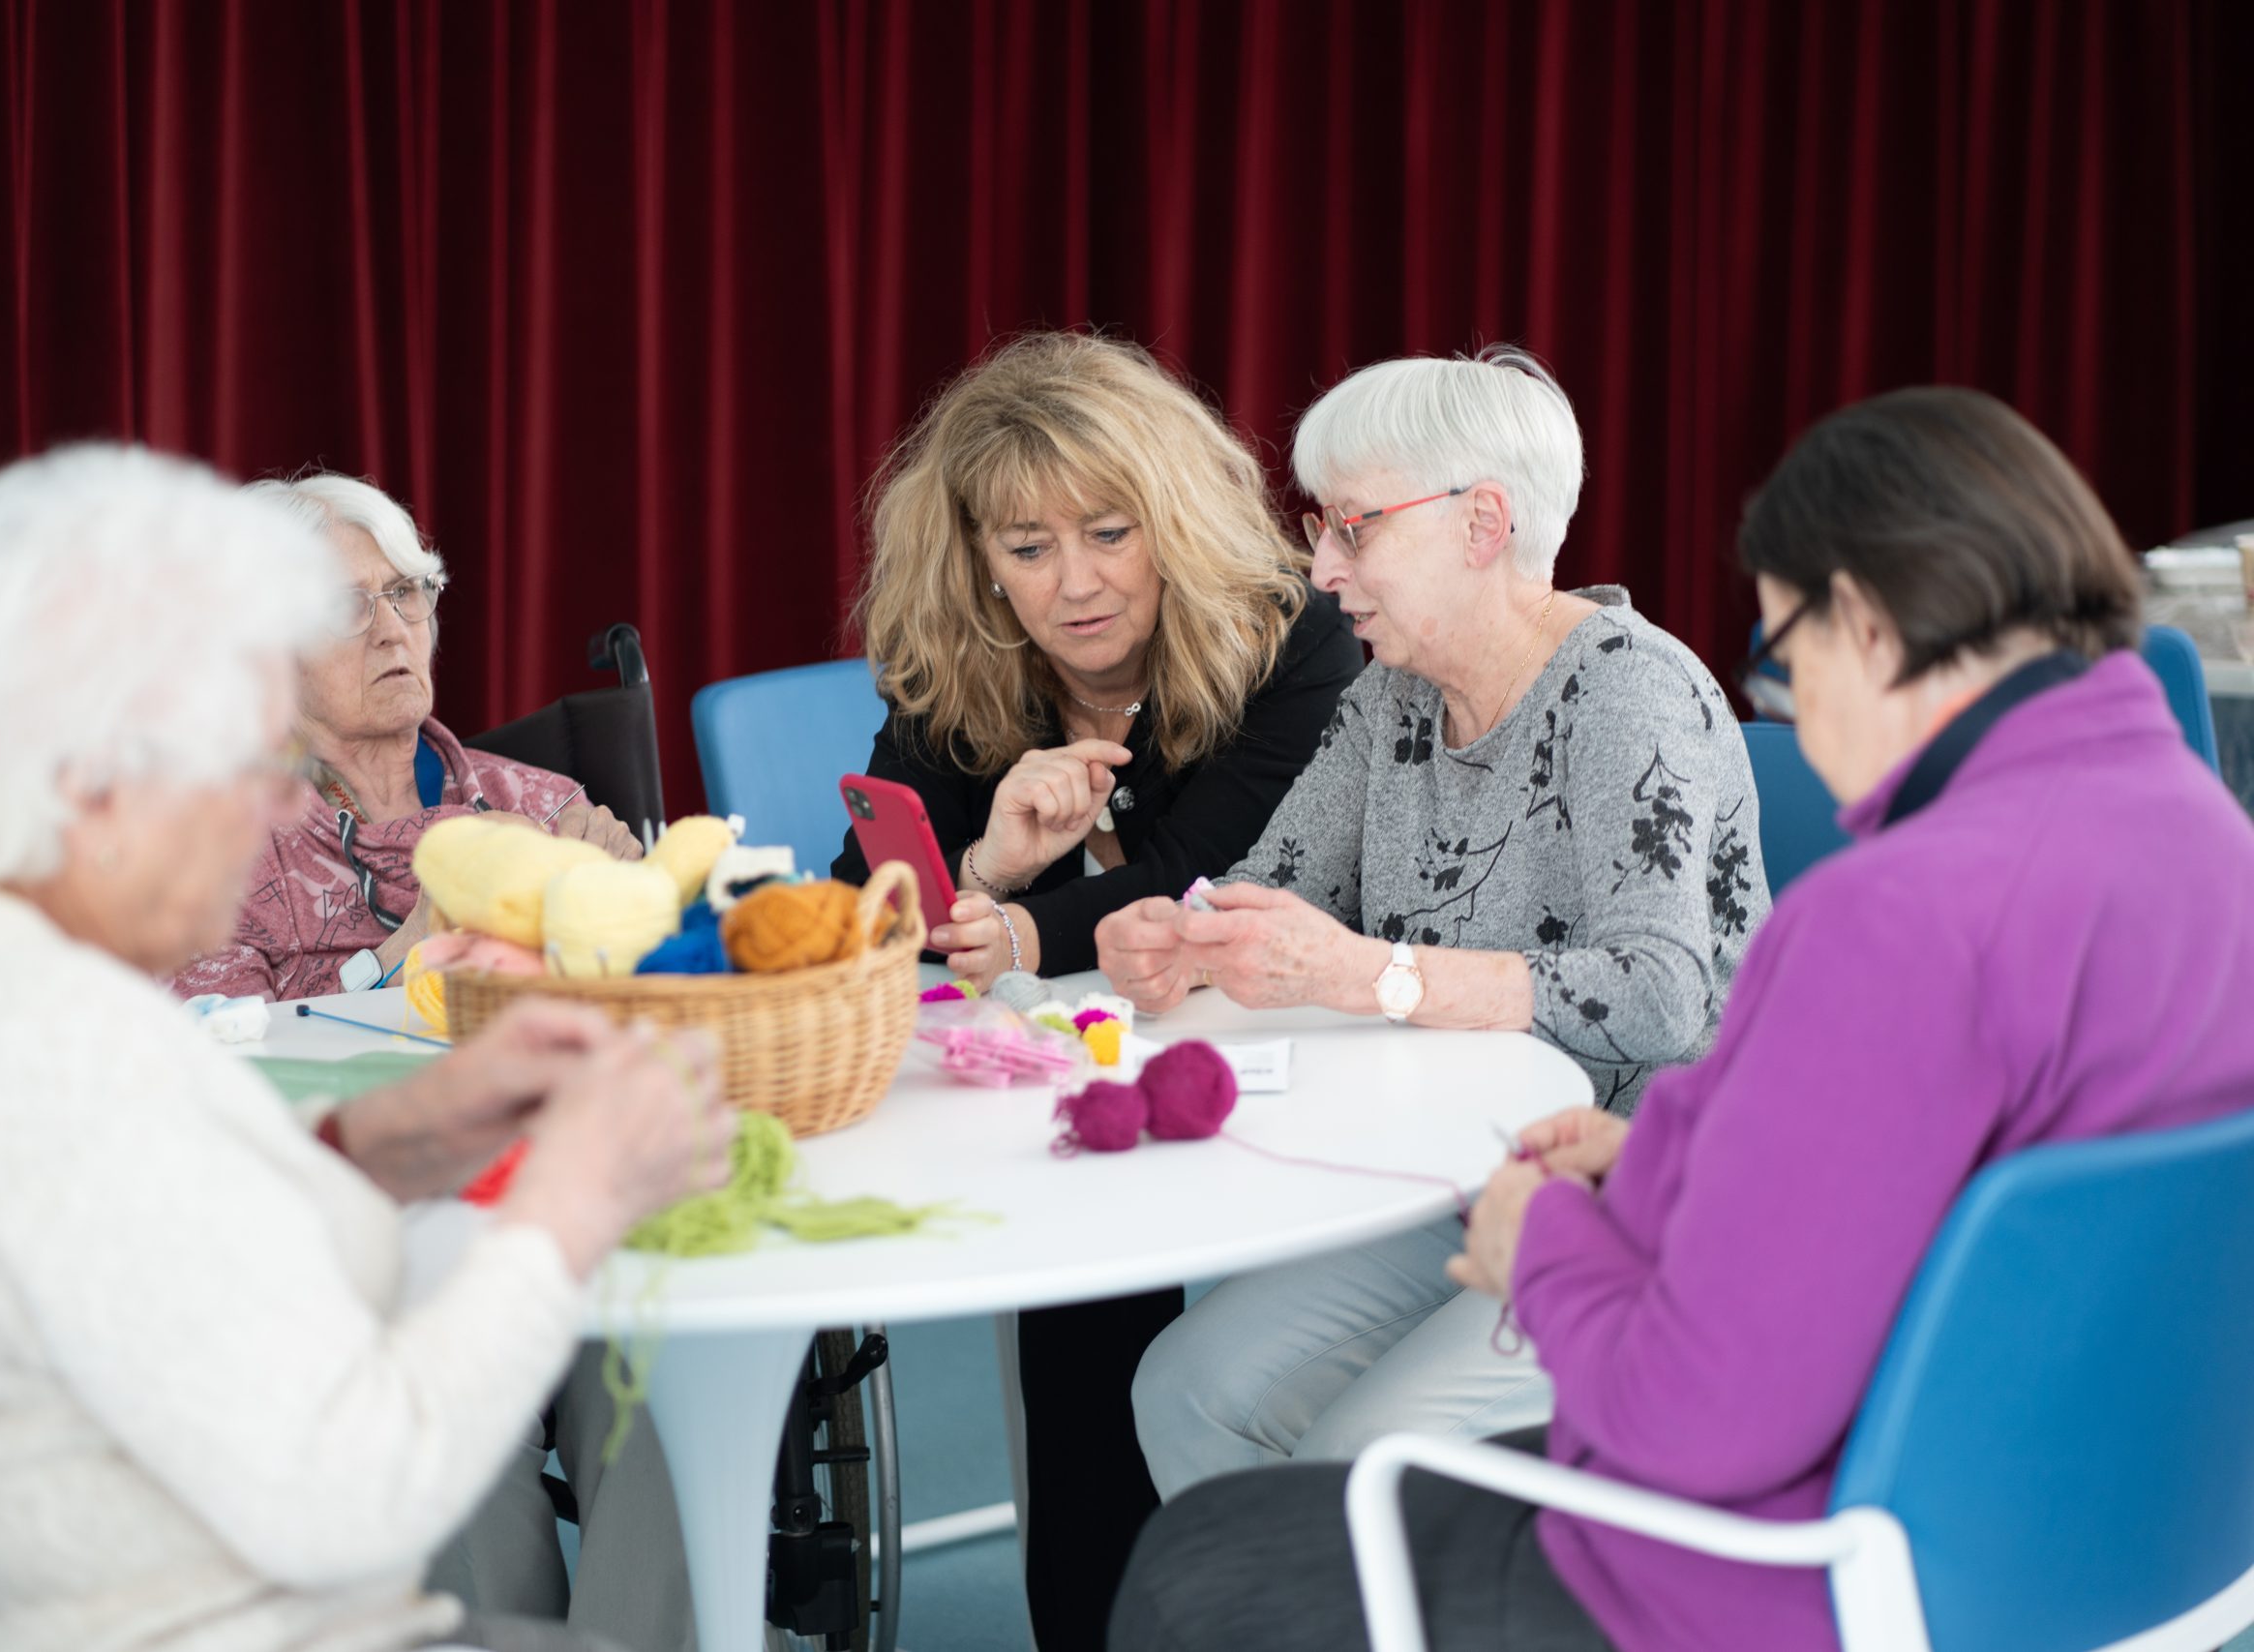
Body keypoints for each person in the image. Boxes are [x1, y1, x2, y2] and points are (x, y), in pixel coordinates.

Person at [1108, 387, 2254, 1652]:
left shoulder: (1893, 916)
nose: (1786, 709)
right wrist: (1665, 1154)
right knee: (1228, 1427)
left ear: (1866, 627)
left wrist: (1544, 1247)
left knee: (1202, 1574)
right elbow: (1930, 1178)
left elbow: (1699, 1423)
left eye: (1781, 655)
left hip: (1828, 1562)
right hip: (2130, 1520)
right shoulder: (2209, 837)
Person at [0, 445, 737, 1652]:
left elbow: (150, 1238)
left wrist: (372, 1146)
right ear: (98, 776)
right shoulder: (56, 1059)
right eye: (245, 759)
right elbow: (351, 1498)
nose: (283, 808)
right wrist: (567, 1207)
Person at [1110, 346, 1768, 1497]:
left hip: (1657, 1194)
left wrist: (1373, 975)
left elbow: (1660, 995)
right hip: (1460, 1167)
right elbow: (1277, 886)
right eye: (1320, 527)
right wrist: (1185, 940)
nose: (1322, 568)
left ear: (1482, 524)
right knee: (1184, 1387)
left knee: (1361, 1458)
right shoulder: (1392, 696)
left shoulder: (1630, 690)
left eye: (1354, 529)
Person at [832, 331, 1364, 1650]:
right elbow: (862, 920)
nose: (1074, 584)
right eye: (1027, 548)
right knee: (1081, 1310)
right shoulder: (955, 663)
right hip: (1087, 1090)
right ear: (978, 559)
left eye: (1110, 533)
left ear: (1172, 519)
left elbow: (1207, 877)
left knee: (1251, 1377)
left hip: (1315, 1069)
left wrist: (1010, 933)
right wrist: (987, 868)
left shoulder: (1292, 636)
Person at [172, 470, 641, 1005]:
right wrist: (415, 943)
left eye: (404, 592)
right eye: (347, 606)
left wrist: (629, 911)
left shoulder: (545, 806)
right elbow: (215, 1042)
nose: (394, 630)